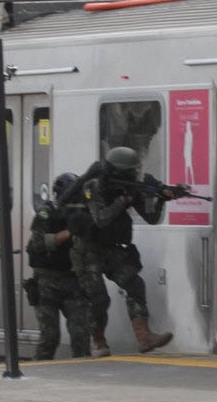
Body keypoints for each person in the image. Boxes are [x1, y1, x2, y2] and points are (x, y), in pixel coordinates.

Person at [70, 146, 174, 355]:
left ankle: (144, 337)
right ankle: (98, 340)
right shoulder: (95, 186)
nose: (136, 174)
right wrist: (122, 201)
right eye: (132, 171)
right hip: (87, 250)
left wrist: (161, 198)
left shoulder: (129, 187)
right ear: (119, 171)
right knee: (99, 298)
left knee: (135, 284)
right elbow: (101, 219)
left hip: (111, 247)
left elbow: (151, 218)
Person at [25, 173, 92, 360]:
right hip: (47, 282)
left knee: (81, 335)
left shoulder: (83, 212)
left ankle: (84, 374)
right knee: (49, 337)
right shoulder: (48, 212)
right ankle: (38, 372)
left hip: (74, 279)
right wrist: (69, 233)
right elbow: (38, 243)